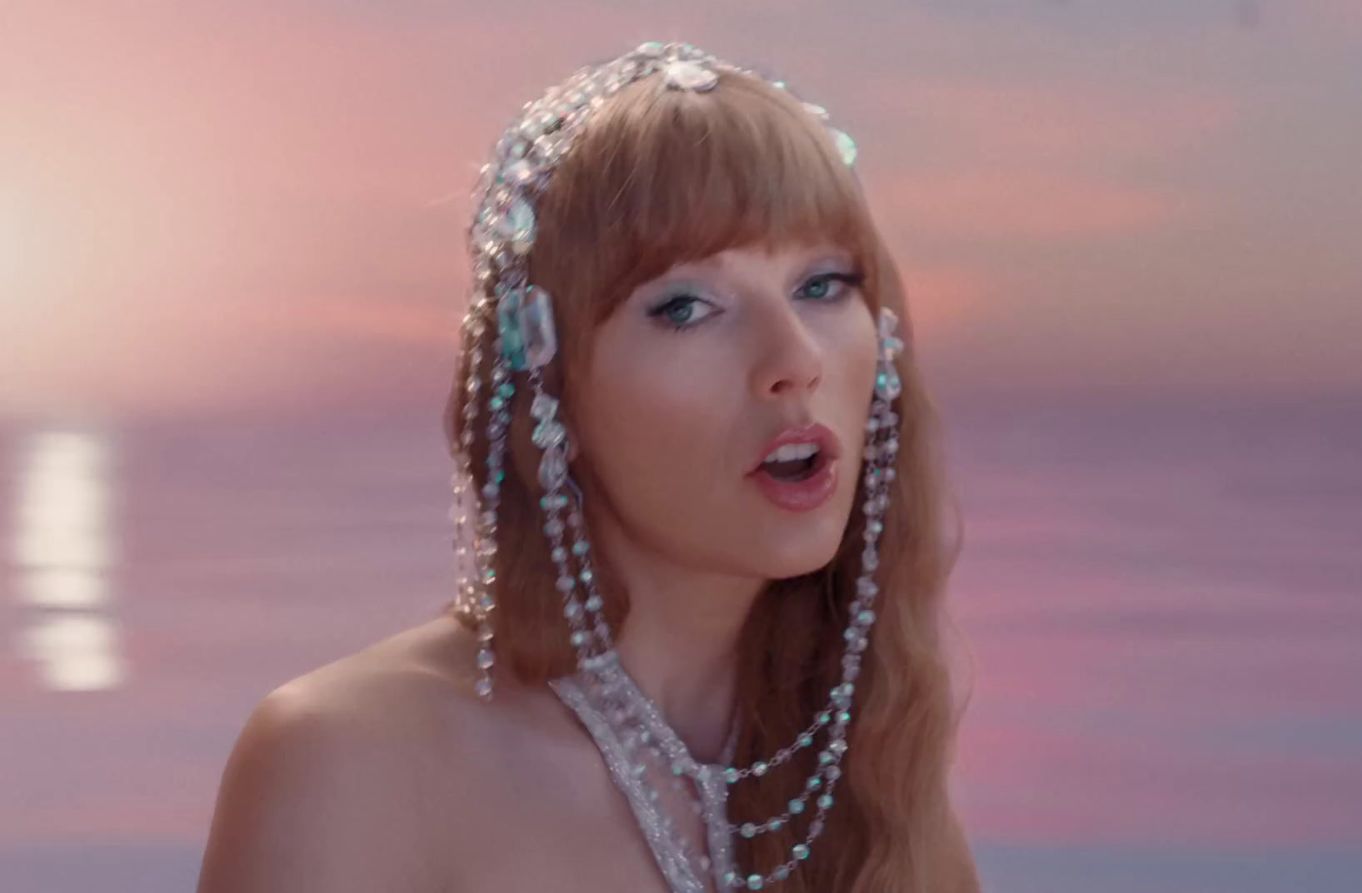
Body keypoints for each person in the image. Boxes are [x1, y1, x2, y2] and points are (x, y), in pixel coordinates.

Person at [197, 41, 981, 892]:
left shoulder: (869, 776)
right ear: (552, 388)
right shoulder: (350, 762)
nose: (795, 358)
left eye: (824, 285)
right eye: (687, 306)